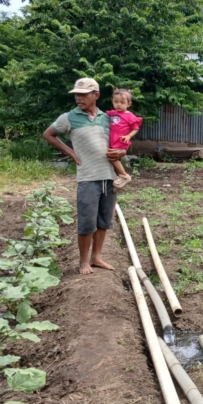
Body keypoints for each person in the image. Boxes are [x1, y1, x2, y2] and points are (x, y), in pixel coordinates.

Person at [42, 78, 126, 275]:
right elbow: (48, 134)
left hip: (109, 176)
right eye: (76, 95)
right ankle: (83, 262)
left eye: (83, 94)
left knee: (104, 220)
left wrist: (121, 153)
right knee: (87, 221)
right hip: (87, 177)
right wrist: (70, 152)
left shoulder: (108, 118)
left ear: (96, 95)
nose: (78, 98)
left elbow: (118, 142)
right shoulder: (69, 118)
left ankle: (96, 257)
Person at [107, 88, 143, 189]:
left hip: (121, 140)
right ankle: (117, 177)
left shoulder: (129, 115)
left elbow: (135, 128)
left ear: (129, 104)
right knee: (113, 159)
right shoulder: (112, 113)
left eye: (122, 102)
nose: (119, 104)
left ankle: (124, 176)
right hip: (113, 139)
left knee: (112, 158)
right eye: (116, 102)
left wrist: (128, 136)